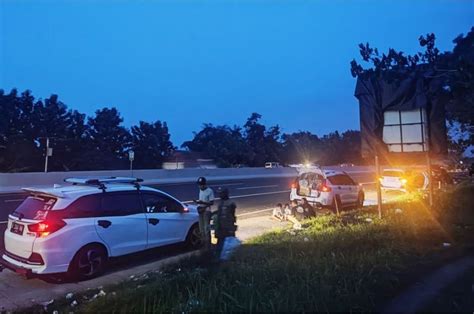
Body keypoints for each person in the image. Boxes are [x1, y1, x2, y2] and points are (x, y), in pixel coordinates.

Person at [214, 188, 237, 257]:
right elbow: (219, 212)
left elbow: (232, 215)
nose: (219, 195)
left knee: (228, 244)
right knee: (219, 243)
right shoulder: (220, 202)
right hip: (220, 226)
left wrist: (231, 228)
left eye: (221, 193)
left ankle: (228, 258)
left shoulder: (231, 203)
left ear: (225, 194)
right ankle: (219, 258)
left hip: (227, 227)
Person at [194, 177, 214, 249]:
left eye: (201, 185)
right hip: (200, 211)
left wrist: (203, 203)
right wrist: (198, 203)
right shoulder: (200, 190)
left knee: (206, 229)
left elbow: (211, 202)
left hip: (206, 211)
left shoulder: (210, 191)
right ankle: (203, 244)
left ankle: (208, 245)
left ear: (204, 184)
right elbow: (201, 200)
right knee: (201, 229)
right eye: (199, 185)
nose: (200, 186)